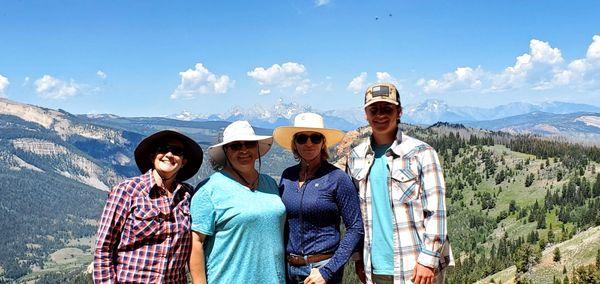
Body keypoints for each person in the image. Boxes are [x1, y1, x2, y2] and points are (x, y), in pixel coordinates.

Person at [346, 83, 454, 284]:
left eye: (387, 109)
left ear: (399, 112)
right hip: (374, 267)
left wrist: (428, 260)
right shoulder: (355, 157)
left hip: (415, 267)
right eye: (374, 109)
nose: (380, 115)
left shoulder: (421, 153)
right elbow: (356, 217)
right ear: (366, 114)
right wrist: (358, 259)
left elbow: (436, 211)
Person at [93, 130, 204, 283]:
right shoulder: (127, 191)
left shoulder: (188, 195)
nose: (169, 154)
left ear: (183, 161)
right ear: (153, 157)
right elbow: (103, 250)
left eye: (177, 151)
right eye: (163, 149)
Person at [189, 120, 286, 284]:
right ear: (226, 150)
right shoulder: (209, 190)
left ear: (256, 148)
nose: (243, 150)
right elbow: (196, 243)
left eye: (248, 144)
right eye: (235, 146)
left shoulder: (269, 184)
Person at [273, 112, 364, 284]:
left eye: (315, 138)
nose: (308, 143)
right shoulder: (288, 176)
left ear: (323, 143)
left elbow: (356, 227)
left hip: (322, 270)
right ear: (294, 144)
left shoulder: (337, 178)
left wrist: (328, 271)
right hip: (290, 269)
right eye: (302, 138)